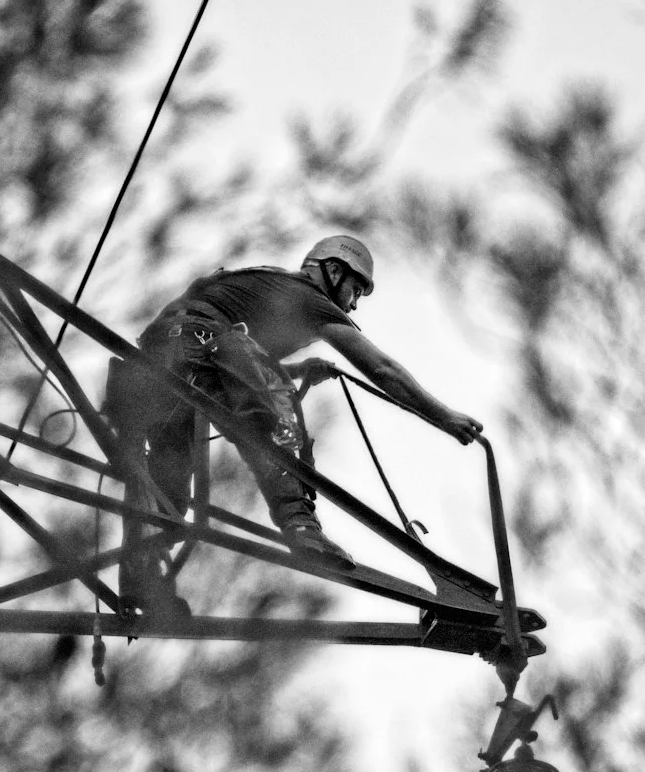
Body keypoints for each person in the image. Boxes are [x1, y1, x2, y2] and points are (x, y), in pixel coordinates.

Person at [108, 235, 483, 616]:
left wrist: (295, 369)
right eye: (354, 290)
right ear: (333, 270)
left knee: (166, 484)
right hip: (199, 351)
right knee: (276, 405)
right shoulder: (306, 298)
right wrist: (445, 417)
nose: (353, 304)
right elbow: (382, 369)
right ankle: (301, 526)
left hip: (152, 369)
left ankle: (142, 578)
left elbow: (206, 349)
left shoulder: (260, 288)